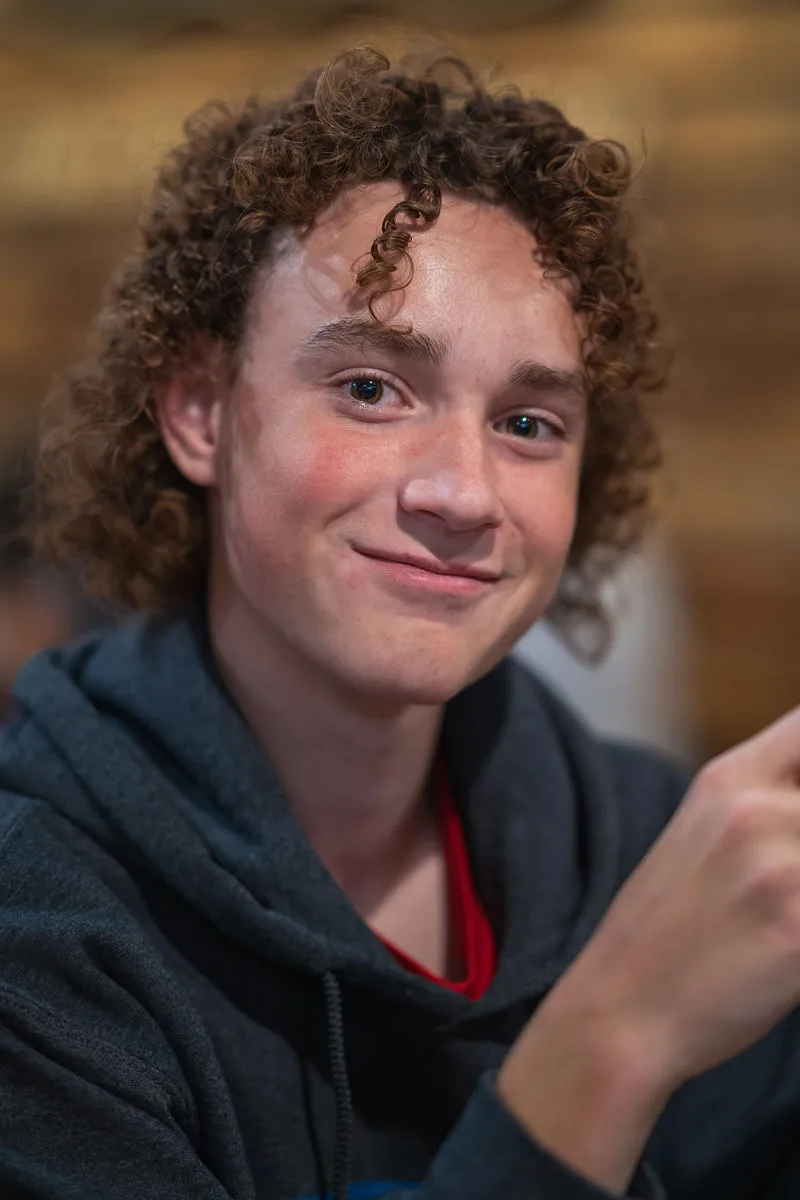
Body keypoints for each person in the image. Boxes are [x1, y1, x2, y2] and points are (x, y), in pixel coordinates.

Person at [0, 47, 798, 1200]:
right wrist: (609, 1046)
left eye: (527, 422)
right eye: (371, 389)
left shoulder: (647, 849)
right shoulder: (41, 930)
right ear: (199, 412)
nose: (462, 492)